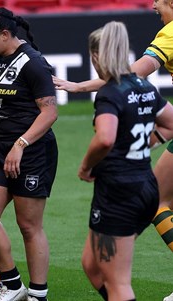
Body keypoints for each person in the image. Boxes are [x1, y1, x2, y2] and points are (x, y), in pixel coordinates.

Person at [53, 0, 173, 256]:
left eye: (158, 1)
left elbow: (133, 73)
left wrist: (79, 86)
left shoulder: (170, 33)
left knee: (158, 201)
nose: (152, 6)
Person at [77, 21, 173, 301]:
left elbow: (104, 139)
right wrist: (142, 144)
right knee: (91, 265)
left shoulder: (110, 93)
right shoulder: (144, 86)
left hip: (119, 193)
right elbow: (170, 125)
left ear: (96, 57)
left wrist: (86, 166)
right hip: (145, 190)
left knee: (117, 281)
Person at [0, 7, 58, 301]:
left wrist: (20, 145)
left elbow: (50, 112)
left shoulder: (33, 64)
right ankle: (13, 286)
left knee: (28, 225)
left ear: (5, 35)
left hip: (32, 152)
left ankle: (38, 294)